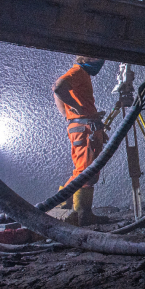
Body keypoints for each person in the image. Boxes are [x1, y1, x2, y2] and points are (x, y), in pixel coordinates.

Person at [53, 56, 107, 225]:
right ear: (85, 58)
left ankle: (63, 203)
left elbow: (57, 90)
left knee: (82, 170)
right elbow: (58, 88)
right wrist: (76, 109)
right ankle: (83, 214)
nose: (100, 62)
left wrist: (70, 114)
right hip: (84, 129)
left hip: (83, 127)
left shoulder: (81, 73)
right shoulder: (78, 71)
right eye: (96, 58)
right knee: (87, 172)